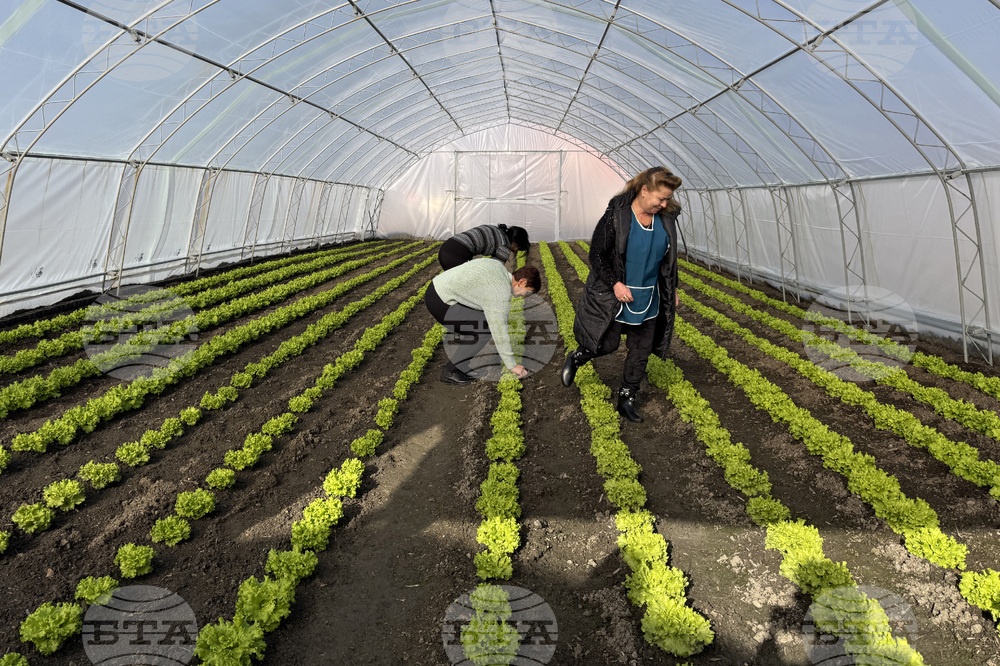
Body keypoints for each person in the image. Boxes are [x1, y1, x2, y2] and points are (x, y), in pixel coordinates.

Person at [560, 166, 683, 423]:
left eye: (668, 199)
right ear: (644, 190)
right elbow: (597, 255)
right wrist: (615, 283)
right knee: (607, 344)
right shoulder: (617, 215)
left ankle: (627, 398)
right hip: (616, 295)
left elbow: (669, 260)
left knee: (641, 349)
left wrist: (673, 289)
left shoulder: (666, 219)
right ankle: (578, 356)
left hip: (649, 296)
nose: (664, 204)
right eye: (660, 198)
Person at [425, 258, 541, 384]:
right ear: (522, 282)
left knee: (482, 322)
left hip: (437, 286)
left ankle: (462, 366)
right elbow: (499, 330)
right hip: (441, 300)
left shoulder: (498, 267)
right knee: (483, 331)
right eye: (528, 292)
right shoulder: (500, 292)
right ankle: (451, 371)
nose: (524, 297)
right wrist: (511, 365)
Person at [438, 224, 530, 270]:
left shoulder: (496, 229)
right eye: (518, 248)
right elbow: (493, 270)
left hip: (446, 248)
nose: (516, 251)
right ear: (515, 243)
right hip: (456, 255)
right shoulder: (504, 245)